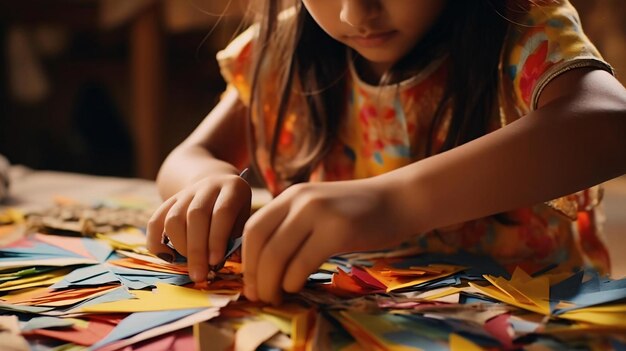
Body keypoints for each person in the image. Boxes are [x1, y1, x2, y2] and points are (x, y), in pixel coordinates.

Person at [147, 0, 626, 305]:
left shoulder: (519, 25)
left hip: (529, 318)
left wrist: (394, 202)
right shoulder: (285, 46)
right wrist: (205, 185)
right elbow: (192, 153)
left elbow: (611, 122)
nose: (356, 14)